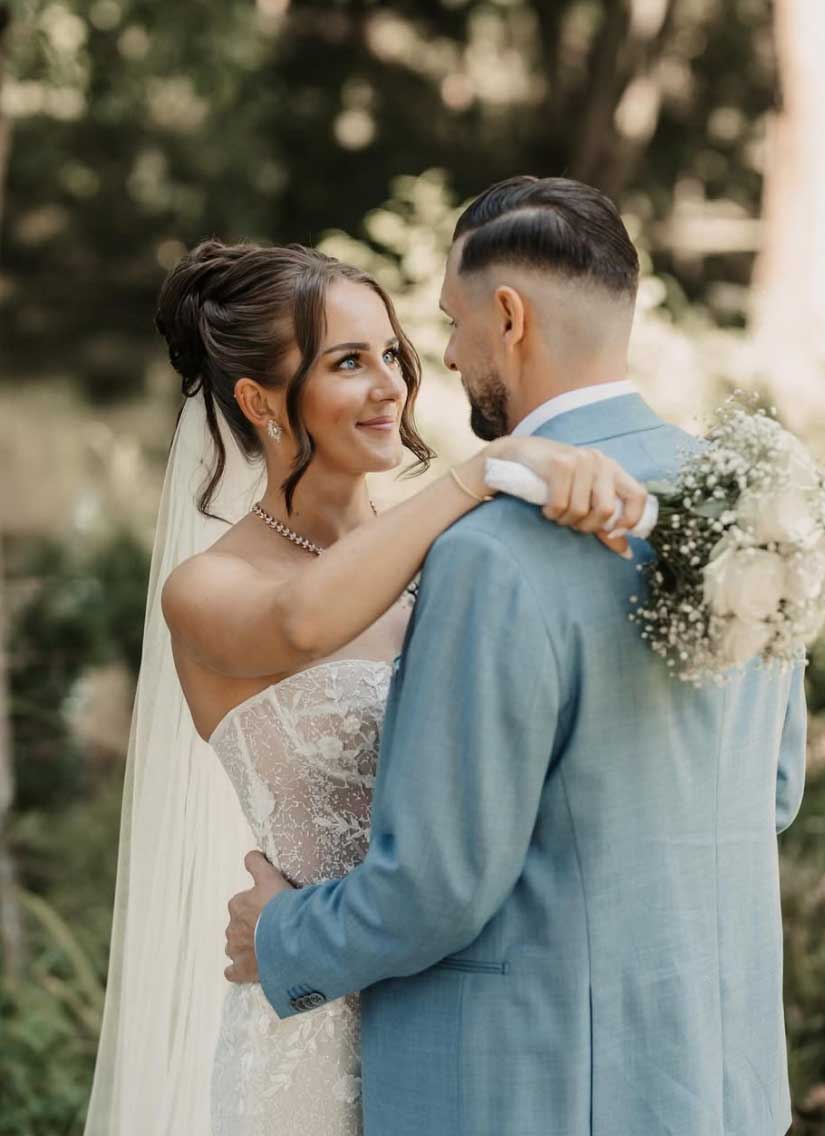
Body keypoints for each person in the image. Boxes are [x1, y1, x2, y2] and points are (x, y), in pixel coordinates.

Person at [226, 175, 807, 1136]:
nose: (449, 357)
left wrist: (282, 936)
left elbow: (439, 885)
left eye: (452, 324)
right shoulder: (743, 505)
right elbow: (771, 790)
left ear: (508, 317)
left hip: (532, 1088)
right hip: (718, 1076)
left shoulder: (491, 552)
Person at [83, 234, 648, 1136]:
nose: (391, 385)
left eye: (393, 353)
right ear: (260, 402)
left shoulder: (461, 557)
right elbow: (303, 622)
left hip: (474, 1012)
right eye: (349, 361)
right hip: (313, 1027)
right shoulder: (208, 589)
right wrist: (478, 475)